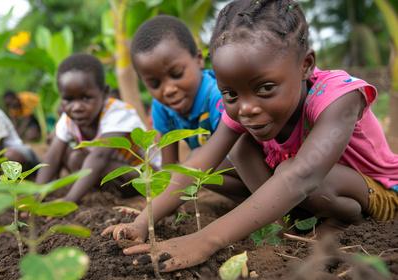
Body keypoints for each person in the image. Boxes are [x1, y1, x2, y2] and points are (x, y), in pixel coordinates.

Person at [102, 0, 398, 272]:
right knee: (241, 147)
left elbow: (301, 177)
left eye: (265, 88)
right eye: (230, 93)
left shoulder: (339, 97)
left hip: (377, 194)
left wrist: (205, 240)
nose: (246, 108)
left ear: (305, 65)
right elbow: (197, 165)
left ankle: (346, 223)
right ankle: (280, 228)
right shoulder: (246, 108)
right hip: (305, 193)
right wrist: (142, 222)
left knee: (293, 170)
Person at [129, 14, 250, 201]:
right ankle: (250, 202)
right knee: (191, 168)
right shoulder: (161, 107)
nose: (168, 90)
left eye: (177, 74)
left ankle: (263, 201)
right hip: (222, 172)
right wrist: (165, 201)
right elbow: (169, 166)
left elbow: (243, 149)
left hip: (254, 165)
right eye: (154, 84)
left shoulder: (218, 96)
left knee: (194, 161)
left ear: (198, 59)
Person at [35, 53, 161, 203]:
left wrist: (69, 199)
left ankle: (100, 194)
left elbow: (100, 157)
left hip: (142, 177)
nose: (77, 107)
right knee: (74, 157)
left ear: (104, 92)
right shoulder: (68, 120)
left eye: (86, 98)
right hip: (109, 172)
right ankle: (106, 191)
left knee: (95, 162)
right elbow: (53, 156)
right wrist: (36, 194)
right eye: (68, 99)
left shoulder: (118, 113)